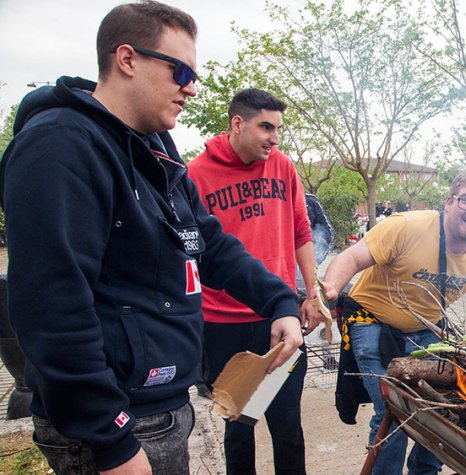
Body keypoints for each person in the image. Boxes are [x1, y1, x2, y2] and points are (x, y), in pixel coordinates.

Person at [0, 2, 303, 474]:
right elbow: (51, 304)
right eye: (180, 69)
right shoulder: (59, 147)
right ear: (127, 59)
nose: (192, 87)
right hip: (114, 427)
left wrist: (279, 300)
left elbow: (208, 242)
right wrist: (111, 439)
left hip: (162, 408)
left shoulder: (156, 148)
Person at [320, 170, 466, 475]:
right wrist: (329, 291)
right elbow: (351, 258)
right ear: (449, 202)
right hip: (373, 322)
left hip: (426, 331)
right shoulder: (407, 227)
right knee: (396, 409)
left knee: (445, 410)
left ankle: (424, 471)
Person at [187, 88, 322, 474]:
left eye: (278, 128)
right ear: (237, 123)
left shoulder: (282, 166)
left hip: (278, 318)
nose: (274, 138)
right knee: (238, 425)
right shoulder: (196, 174)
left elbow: (301, 232)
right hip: (222, 325)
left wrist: (311, 295)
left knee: (288, 426)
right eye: (266, 127)